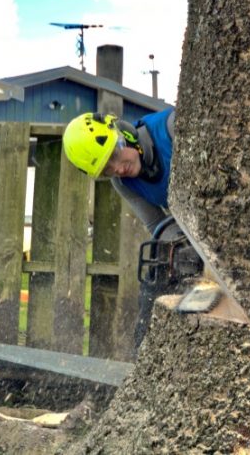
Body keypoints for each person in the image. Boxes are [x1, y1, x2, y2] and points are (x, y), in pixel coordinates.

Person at [61, 108, 202, 349]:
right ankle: (144, 354)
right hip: (188, 227)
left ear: (124, 133)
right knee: (154, 287)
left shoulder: (172, 128)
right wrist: (181, 245)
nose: (117, 169)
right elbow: (155, 223)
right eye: (106, 169)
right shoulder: (122, 183)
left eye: (114, 155)